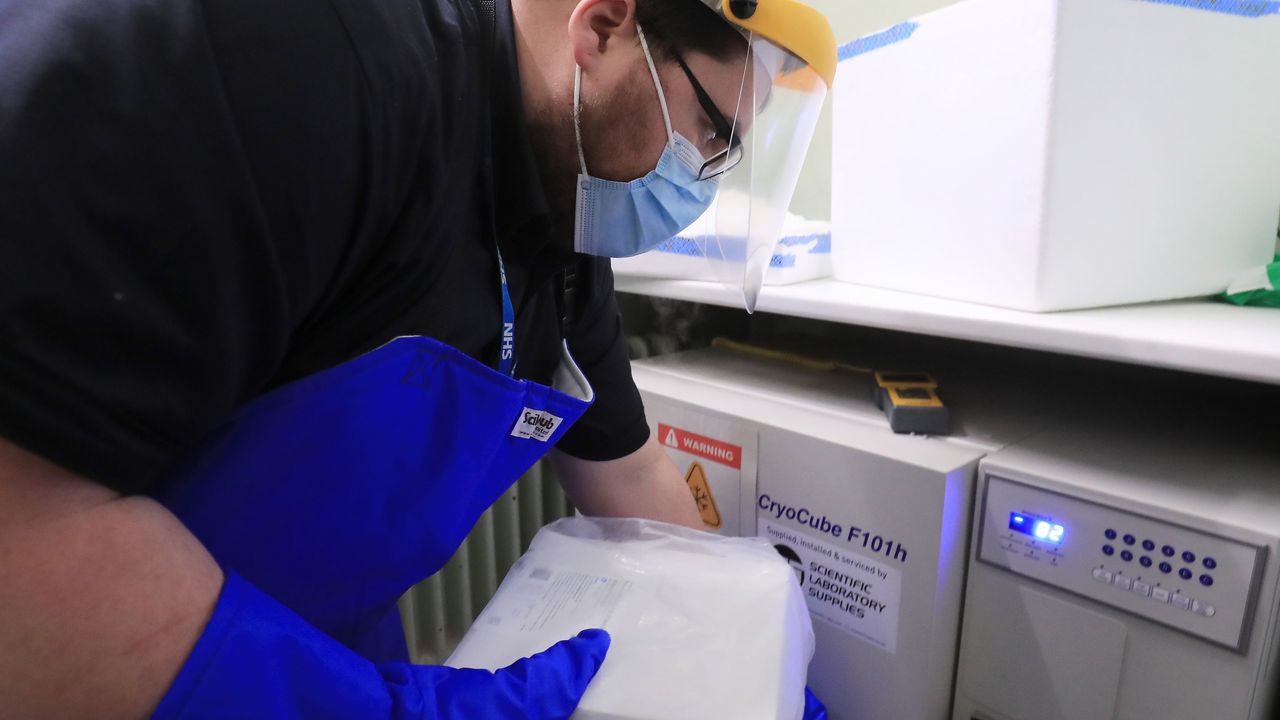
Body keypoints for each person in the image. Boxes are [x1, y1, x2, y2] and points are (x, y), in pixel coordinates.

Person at [0, 0, 835, 716]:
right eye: (710, 138)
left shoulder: (564, 236)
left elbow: (634, 481)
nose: (704, 181)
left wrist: (746, 646)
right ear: (606, 24)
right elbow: (24, 547)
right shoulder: (292, 66)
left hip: (324, 646)